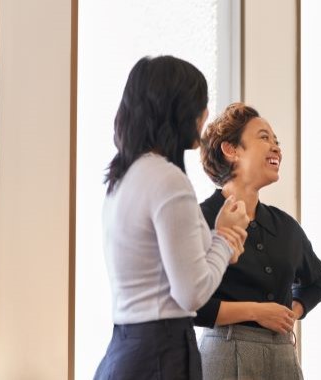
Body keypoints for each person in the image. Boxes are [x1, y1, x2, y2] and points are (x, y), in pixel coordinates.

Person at [94, 55, 250, 380]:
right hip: (161, 354)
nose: (206, 115)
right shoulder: (168, 179)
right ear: (180, 110)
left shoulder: (122, 176)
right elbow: (192, 293)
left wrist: (220, 238)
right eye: (200, 104)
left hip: (125, 348)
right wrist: (224, 238)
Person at [195, 103, 321, 380]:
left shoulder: (286, 226)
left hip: (282, 354)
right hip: (222, 352)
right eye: (264, 137)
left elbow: (316, 281)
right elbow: (189, 305)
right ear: (231, 150)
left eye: (277, 142)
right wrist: (257, 312)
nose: (277, 148)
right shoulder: (200, 219)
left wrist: (289, 312)